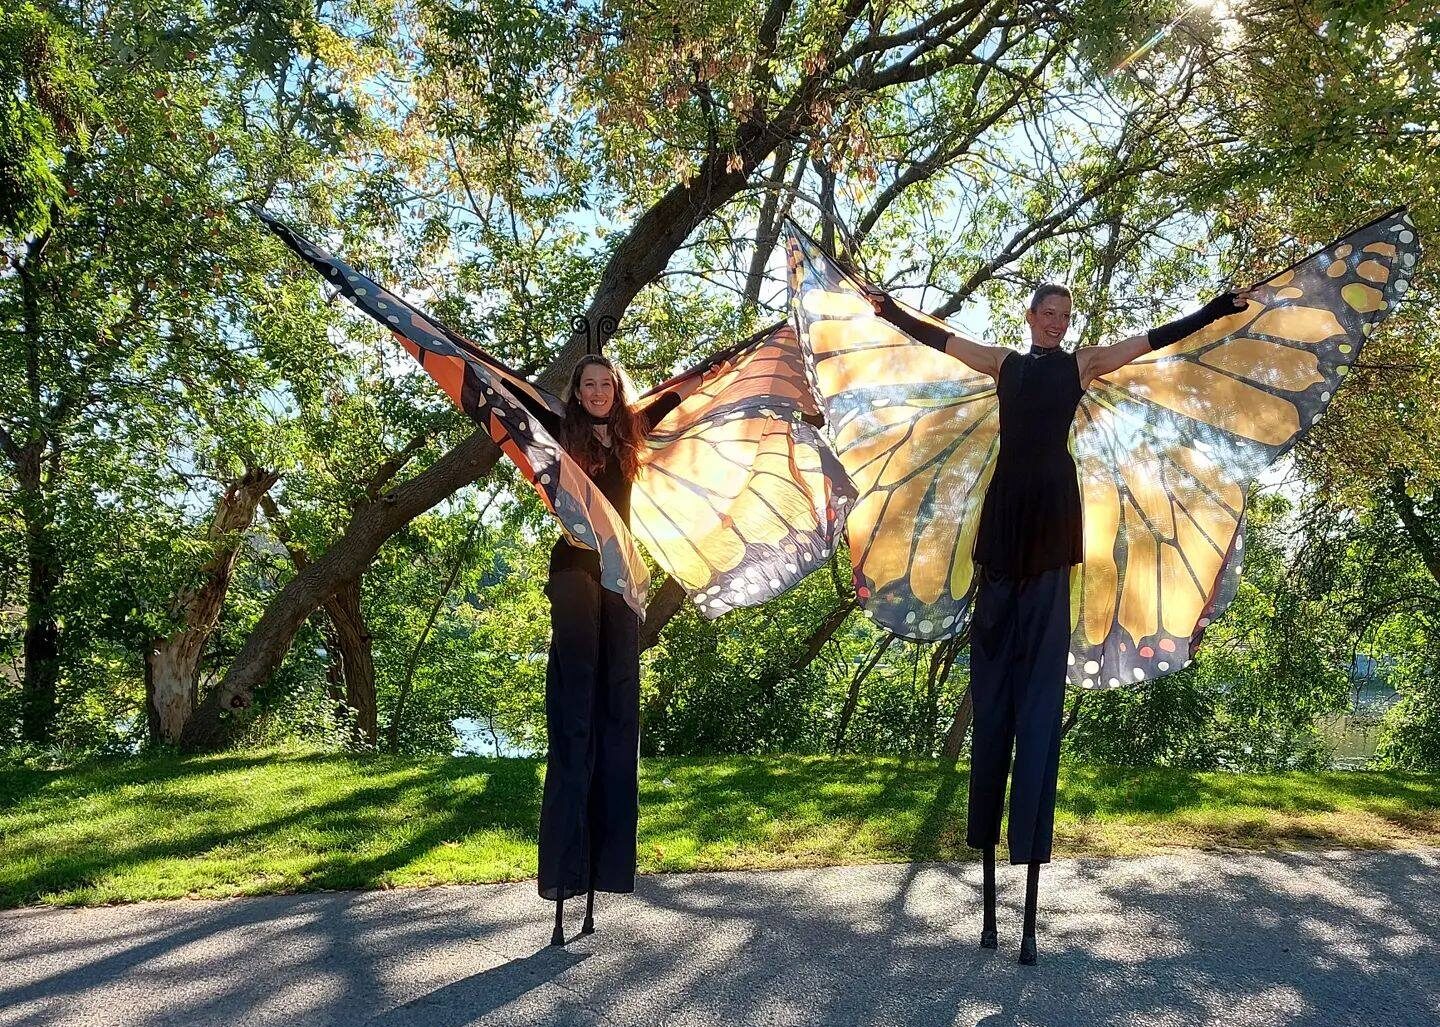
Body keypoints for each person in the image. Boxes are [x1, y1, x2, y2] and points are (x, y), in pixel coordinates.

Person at [866, 282, 1254, 965]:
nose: (1055, 324)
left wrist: (1217, 309)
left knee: (1038, 705)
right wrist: (888, 310)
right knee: (994, 700)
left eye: (1065, 317)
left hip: (1051, 522)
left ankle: (1028, 900)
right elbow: (939, 340)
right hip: (1002, 523)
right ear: (1029, 317)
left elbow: (1157, 337)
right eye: (1047, 314)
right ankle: (987, 868)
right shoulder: (1004, 364)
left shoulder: (1081, 365)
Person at [509, 354, 684, 945]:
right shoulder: (562, 431)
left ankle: (605, 869)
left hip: (623, 578)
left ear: (616, 389)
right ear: (578, 393)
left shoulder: (633, 431)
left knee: (616, 715)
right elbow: (510, 393)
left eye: (606, 384)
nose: (598, 392)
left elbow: (684, 396)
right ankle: (565, 873)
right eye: (588, 384)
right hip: (576, 570)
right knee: (576, 713)